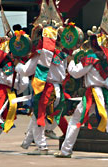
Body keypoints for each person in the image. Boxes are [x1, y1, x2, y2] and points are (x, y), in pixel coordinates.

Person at [54, 30, 108, 159]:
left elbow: (75, 73)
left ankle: (66, 150)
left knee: (76, 119)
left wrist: (73, 60)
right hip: (106, 94)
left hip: (93, 94)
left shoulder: (90, 59)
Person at [16, 24, 69, 155]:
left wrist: (17, 63)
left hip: (45, 90)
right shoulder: (62, 56)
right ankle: (27, 142)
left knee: (38, 117)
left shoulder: (39, 55)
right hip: (58, 90)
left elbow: (26, 71)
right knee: (38, 117)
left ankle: (42, 146)